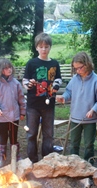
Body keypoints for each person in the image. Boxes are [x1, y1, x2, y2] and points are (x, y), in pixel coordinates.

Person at [22, 32, 62, 163]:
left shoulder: (55, 64)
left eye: (46, 46)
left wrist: (56, 85)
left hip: (49, 105)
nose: (44, 49)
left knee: (48, 134)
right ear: (36, 48)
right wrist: (28, 84)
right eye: (41, 47)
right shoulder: (31, 63)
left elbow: (59, 79)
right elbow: (25, 80)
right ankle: (32, 160)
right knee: (31, 134)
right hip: (33, 105)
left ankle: (46, 160)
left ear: (50, 47)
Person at [56, 52, 97, 163]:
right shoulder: (74, 79)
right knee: (74, 143)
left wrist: (93, 110)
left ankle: (88, 167)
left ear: (87, 64)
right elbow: (68, 92)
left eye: (80, 68)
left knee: (88, 145)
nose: (77, 71)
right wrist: (63, 97)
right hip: (75, 117)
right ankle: (73, 164)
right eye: (75, 68)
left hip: (89, 119)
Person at [0, 58, 26, 168]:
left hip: (14, 117)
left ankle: (16, 156)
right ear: (0, 70)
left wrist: (23, 111)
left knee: (14, 137)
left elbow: (21, 99)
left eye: (10, 67)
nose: (9, 69)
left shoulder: (16, 83)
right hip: (2, 118)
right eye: (5, 68)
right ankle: (2, 158)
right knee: (3, 137)